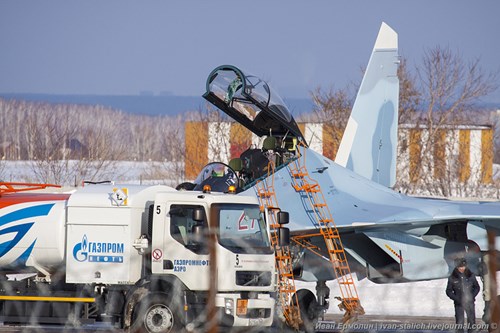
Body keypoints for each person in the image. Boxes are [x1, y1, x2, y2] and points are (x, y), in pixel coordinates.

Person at [446, 258, 480, 333]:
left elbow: (477, 287)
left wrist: (472, 296)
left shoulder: (471, 275)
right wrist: (456, 298)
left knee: (472, 322)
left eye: (463, 267)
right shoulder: (452, 277)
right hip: (459, 303)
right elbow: (448, 291)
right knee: (459, 323)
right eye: (460, 267)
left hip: (469, 302)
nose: (462, 269)